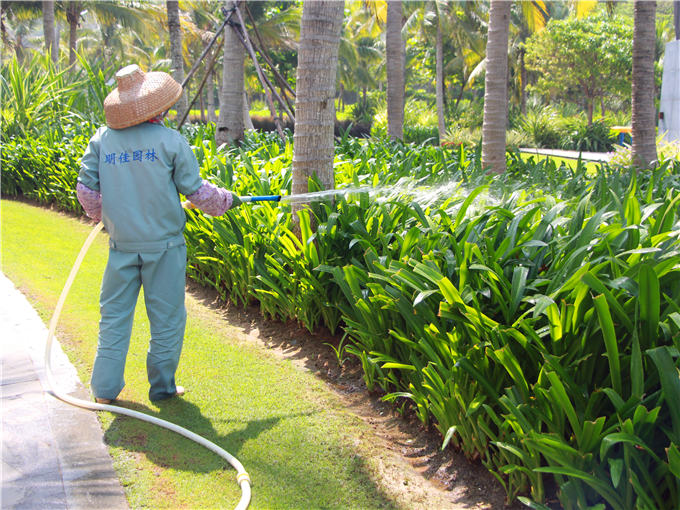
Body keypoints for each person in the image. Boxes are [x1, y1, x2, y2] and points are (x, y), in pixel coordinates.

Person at [77, 64, 240, 404]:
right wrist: (226, 200)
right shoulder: (171, 141)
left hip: (121, 246)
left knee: (114, 317)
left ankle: (104, 391)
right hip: (165, 248)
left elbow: (86, 191)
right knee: (166, 319)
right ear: (158, 107)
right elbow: (197, 192)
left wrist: (106, 216)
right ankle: (162, 388)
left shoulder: (101, 140)